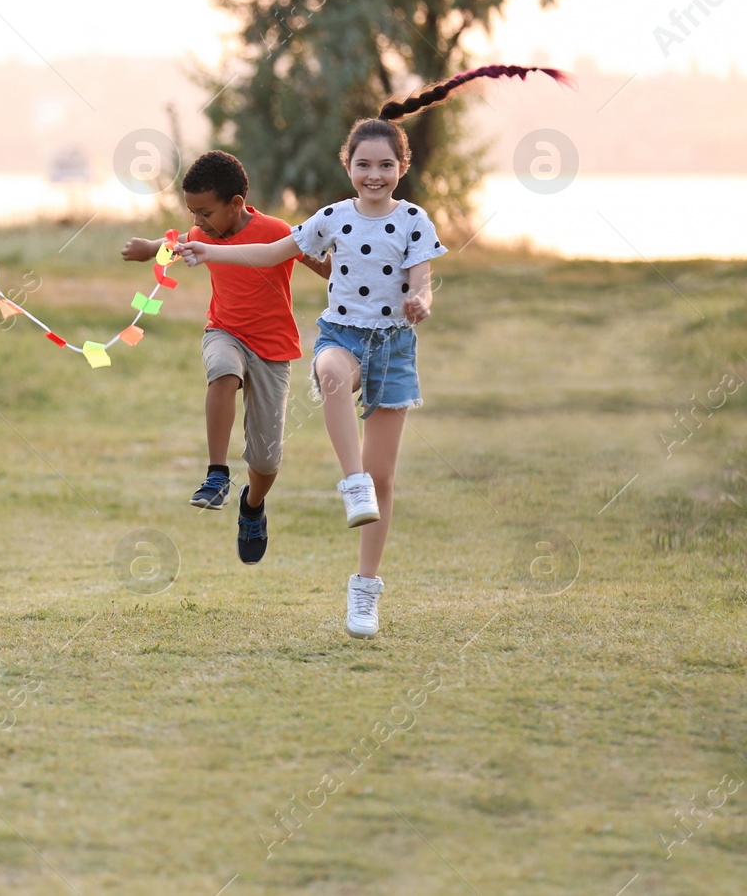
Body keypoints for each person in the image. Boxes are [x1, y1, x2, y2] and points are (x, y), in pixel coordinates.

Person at [173, 65, 565, 638]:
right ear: (348, 167)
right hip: (344, 336)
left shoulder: (414, 220)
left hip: (394, 350)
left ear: (401, 169)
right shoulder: (332, 217)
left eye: (385, 165)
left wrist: (420, 301)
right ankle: (348, 480)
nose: (374, 174)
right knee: (330, 373)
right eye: (363, 165)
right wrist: (208, 253)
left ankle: (364, 591)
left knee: (384, 483)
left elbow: (422, 278)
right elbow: (270, 251)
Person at [121, 151, 329, 563]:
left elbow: (322, 265)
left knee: (266, 459)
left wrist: (354, 262)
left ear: (236, 205)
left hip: (272, 348)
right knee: (221, 370)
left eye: (205, 212)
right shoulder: (203, 236)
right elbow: (176, 246)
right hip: (225, 331)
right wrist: (148, 248)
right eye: (192, 213)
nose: (197, 222)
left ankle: (252, 506)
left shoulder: (276, 230)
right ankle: (216, 475)